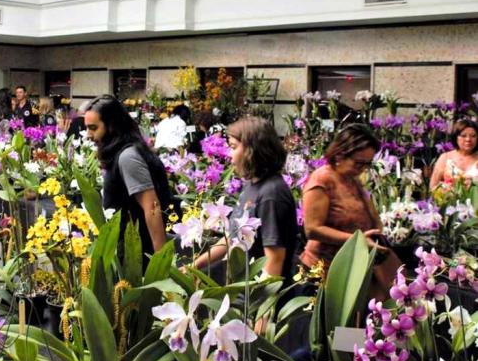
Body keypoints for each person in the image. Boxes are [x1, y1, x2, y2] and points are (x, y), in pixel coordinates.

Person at [192, 117, 297, 284]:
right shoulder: (253, 187)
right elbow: (230, 237)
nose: (229, 153)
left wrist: (261, 308)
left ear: (252, 150)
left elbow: (274, 259)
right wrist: (194, 267)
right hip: (243, 294)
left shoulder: (271, 194)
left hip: (257, 300)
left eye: (233, 147)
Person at [301, 123, 401, 299]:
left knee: (354, 325)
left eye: (367, 164)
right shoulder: (322, 180)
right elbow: (312, 229)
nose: (362, 168)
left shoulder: (351, 179)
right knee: (335, 325)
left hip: (352, 270)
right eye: (359, 163)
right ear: (340, 155)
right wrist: (358, 240)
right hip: (325, 272)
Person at [84, 95, 172, 256]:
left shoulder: (128, 157)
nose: (88, 135)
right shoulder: (124, 153)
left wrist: (161, 261)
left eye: (93, 128)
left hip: (137, 257)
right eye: (87, 128)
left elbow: (152, 207)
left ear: (111, 126)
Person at [430, 118, 478, 189]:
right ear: (456, 137)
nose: (468, 139)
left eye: (473, 136)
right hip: (449, 199)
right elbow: (433, 187)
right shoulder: (445, 157)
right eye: (463, 136)